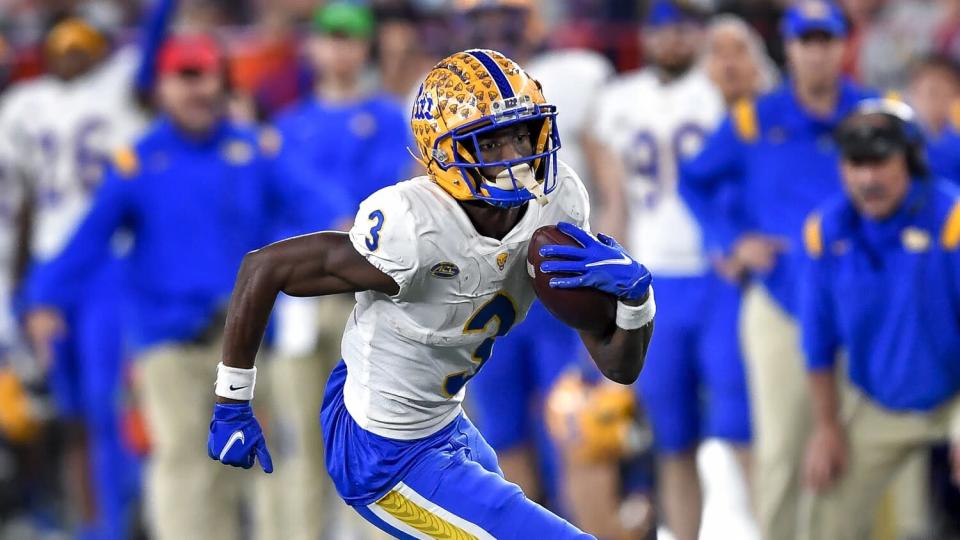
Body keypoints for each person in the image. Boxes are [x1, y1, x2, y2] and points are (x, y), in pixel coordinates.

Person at [207, 49, 656, 539]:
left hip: (444, 425)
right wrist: (233, 401)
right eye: (491, 142)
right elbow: (262, 267)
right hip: (382, 447)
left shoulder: (559, 202)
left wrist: (636, 302)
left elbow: (619, 367)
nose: (516, 157)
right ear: (447, 152)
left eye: (521, 133)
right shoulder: (413, 227)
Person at [23, 34, 315, 540]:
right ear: (160, 88)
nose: (199, 89)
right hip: (170, 343)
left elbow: (314, 201)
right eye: (185, 77)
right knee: (185, 470)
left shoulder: (252, 149)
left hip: (248, 344)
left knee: (268, 469)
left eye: (206, 76)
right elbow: (87, 239)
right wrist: (44, 298)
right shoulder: (137, 162)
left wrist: (364, 230)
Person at [680, 2, 876, 538]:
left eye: (826, 39)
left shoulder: (873, 113)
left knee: (863, 449)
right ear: (787, 49)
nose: (816, 51)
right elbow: (692, 179)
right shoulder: (753, 118)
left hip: (860, 300)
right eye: (805, 40)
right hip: (782, 297)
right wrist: (732, 240)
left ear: (842, 46)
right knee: (783, 448)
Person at [2, 6, 172, 536]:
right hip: (54, 269)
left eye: (82, 45)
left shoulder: (119, 88)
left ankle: (117, 523)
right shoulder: (25, 104)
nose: (72, 53)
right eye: (62, 46)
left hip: (108, 262)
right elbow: (22, 201)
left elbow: (151, 52)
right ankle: (89, 523)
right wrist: (23, 292)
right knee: (66, 411)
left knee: (107, 404)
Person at [588, 3, 751, 539]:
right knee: (672, 435)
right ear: (649, 34)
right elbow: (616, 199)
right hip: (652, 277)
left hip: (718, 274)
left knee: (742, 424)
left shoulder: (724, 87)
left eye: (684, 27)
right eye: (664, 28)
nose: (673, 39)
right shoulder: (620, 99)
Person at [450, 0, 615, 521]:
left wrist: (604, 263)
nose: (495, 25)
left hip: (557, 277)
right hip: (487, 282)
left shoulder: (575, 74)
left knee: (575, 425)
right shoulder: (443, 94)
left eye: (505, 12)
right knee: (501, 434)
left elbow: (606, 184)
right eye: (483, 14)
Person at [798, 98, 960, 540]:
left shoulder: (953, 219)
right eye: (856, 163)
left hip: (955, 395)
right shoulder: (824, 232)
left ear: (909, 160)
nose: (868, 178)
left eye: (880, 161)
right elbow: (818, 342)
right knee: (825, 511)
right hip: (880, 399)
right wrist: (827, 427)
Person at [908, 53, 960, 184]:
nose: (931, 102)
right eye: (930, 93)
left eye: (944, 93)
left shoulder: (955, 141)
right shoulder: (905, 140)